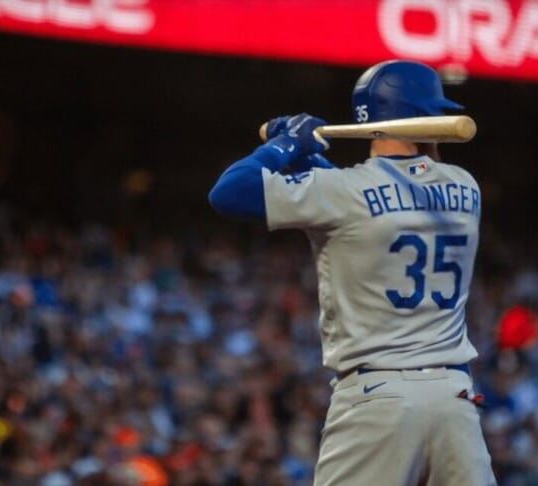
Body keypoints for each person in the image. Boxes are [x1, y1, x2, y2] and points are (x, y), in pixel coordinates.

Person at [208, 60, 495, 486]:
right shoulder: (465, 186)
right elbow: (380, 193)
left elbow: (229, 192)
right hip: (454, 399)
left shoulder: (344, 193)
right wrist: (310, 156)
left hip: (378, 398)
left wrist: (284, 147)